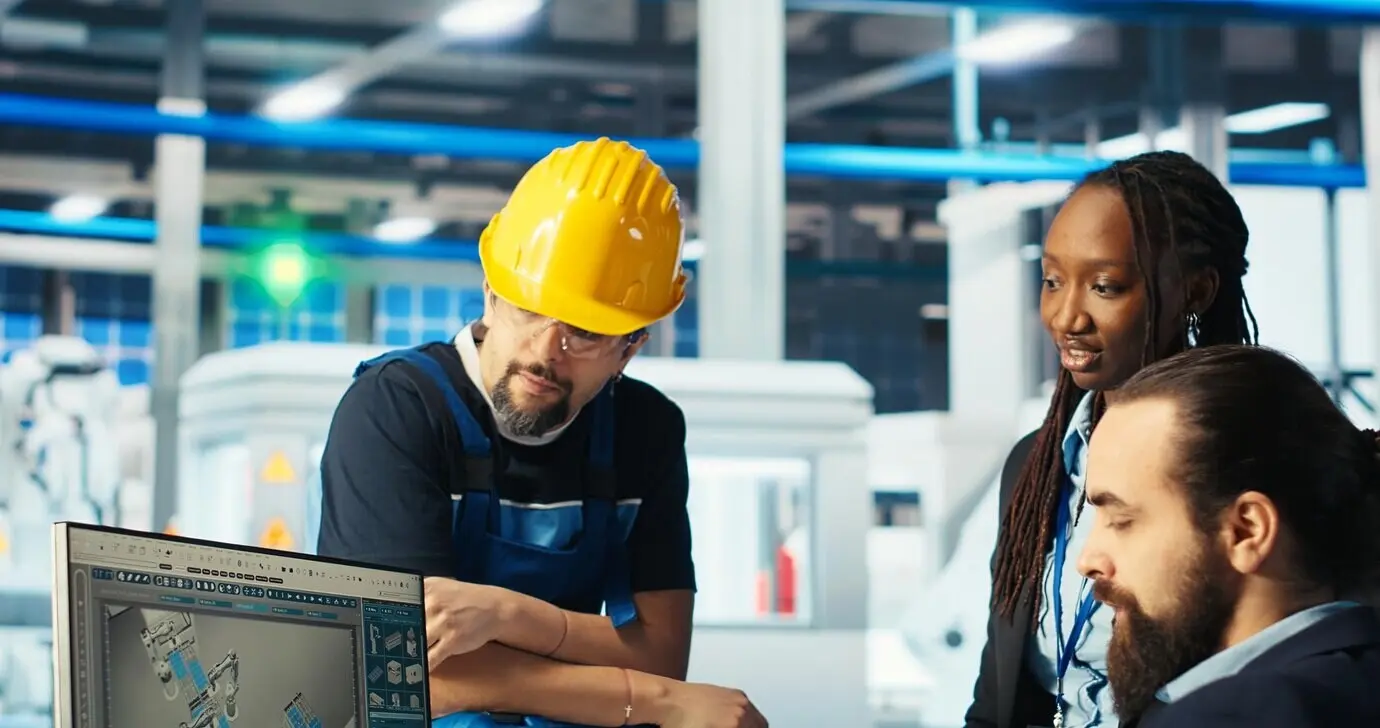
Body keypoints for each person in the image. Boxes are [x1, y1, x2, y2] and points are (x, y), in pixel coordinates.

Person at [316, 137, 768, 728]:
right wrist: (654, 701)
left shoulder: (646, 430)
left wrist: (504, 614)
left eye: (584, 332)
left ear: (629, 348)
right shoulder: (395, 408)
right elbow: (406, 669)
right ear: (491, 292)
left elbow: (662, 653)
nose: (544, 352)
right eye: (529, 308)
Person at [964, 150, 1259, 728]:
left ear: (1195, 293)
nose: (1067, 316)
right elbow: (999, 695)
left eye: (1104, 286)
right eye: (1051, 280)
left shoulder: (1249, 463)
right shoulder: (1035, 465)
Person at [1077, 344, 1380, 727]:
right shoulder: (1354, 681)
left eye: (1121, 520)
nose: (1086, 560)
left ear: (1247, 531)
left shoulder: (1229, 714)